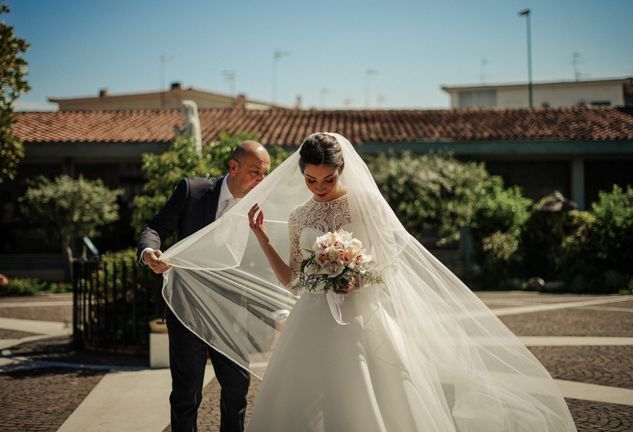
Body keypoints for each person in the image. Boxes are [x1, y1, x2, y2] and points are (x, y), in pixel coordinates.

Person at [159, 133, 577, 432]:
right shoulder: (301, 216)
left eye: (327, 179)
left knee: (372, 396)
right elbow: (292, 281)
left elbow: (392, 260)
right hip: (312, 320)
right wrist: (263, 238)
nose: (319, 188)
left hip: (363, 318)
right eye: (310, 180)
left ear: (342, 170)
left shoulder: (365, 205)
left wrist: (357, 277)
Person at [137, 140, 270, 432]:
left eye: (265, 174)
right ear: (233, 167)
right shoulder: (193, 191)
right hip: (187, 309)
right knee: (187, 394)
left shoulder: (261, 205)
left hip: (231, 312)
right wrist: (149, 254)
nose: (262, 180)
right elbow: (155, 228)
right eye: (255, 172)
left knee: (237, 388)